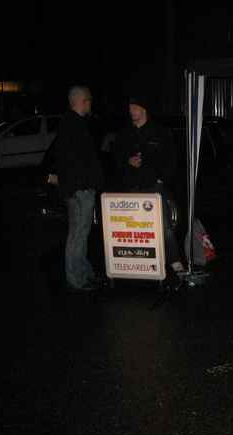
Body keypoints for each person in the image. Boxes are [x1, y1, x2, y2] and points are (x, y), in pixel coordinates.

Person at [114, 94, 183, 274]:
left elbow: (171, 160)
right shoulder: (124, 133)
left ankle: (174, 260)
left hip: (153, 187)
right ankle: (140, 263)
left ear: (143, 109)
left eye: (134, 108)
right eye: (129, 108)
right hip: (131, 187)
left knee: (164, 226)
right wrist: (127, 161)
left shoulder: (160, 132)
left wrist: (161, 179)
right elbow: (115, 157)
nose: (131, 111)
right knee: (134, 228)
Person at [48, 86, 105, 292]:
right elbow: (75, 162)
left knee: (80, 233)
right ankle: (76, 279)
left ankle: (84, 272)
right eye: (89, 100)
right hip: (79, 190)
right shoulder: (73, 125)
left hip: (78, 189)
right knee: (78, 235)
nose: (91, 104)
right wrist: (82, 186)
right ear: (83, 101)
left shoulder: (71, 123)